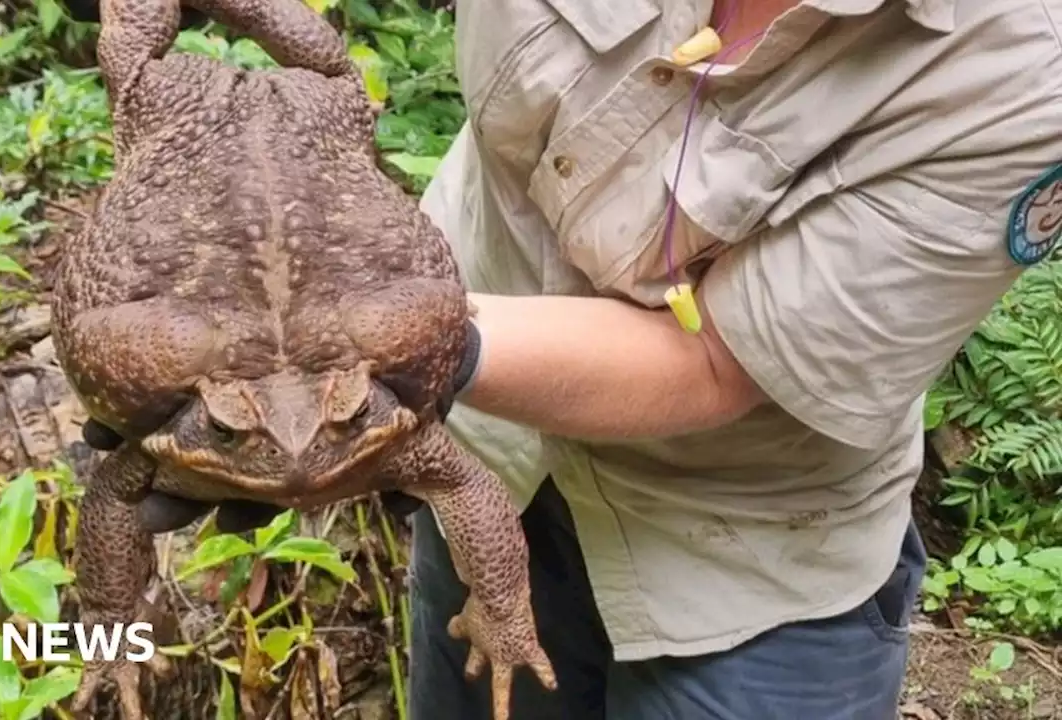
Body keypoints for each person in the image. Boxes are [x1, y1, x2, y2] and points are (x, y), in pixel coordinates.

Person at [67, 0, 1062, 718]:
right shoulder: (256, 396)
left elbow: (715, 362)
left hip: (739, 550)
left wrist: (405, 362)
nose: (288, 454)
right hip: (469, 432)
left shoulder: (1016, 71)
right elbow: (115, 493)